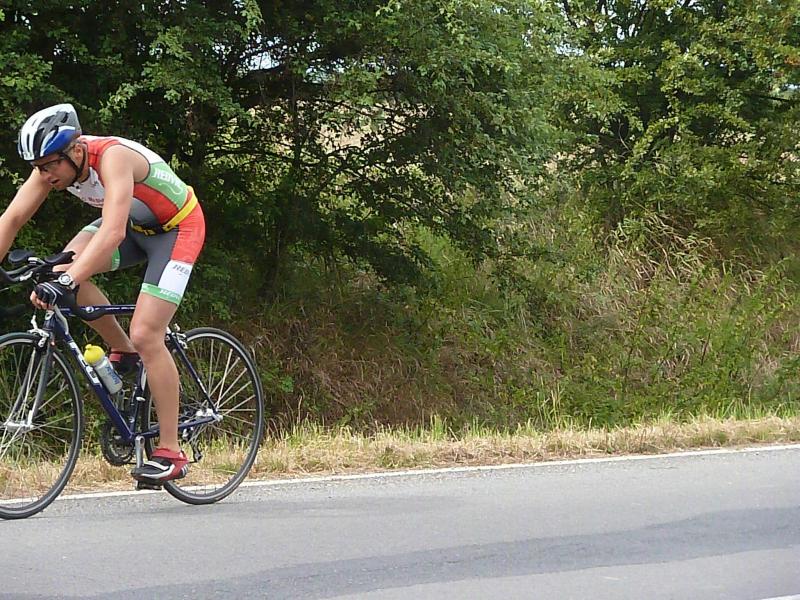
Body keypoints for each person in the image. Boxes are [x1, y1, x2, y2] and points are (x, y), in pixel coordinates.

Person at [1, 103, 205, 482]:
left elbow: (111, 232)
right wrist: (65, 278)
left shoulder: (112, 157)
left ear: (76, 150)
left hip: (177, 229)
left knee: (147, 333)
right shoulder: (51, 167)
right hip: (134, 228)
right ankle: (122, 349)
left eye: (49, 165)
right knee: (60, 271)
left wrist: (67, 281)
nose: (44, 175)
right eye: (38, 167)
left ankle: (171, 450)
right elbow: (11, 219)